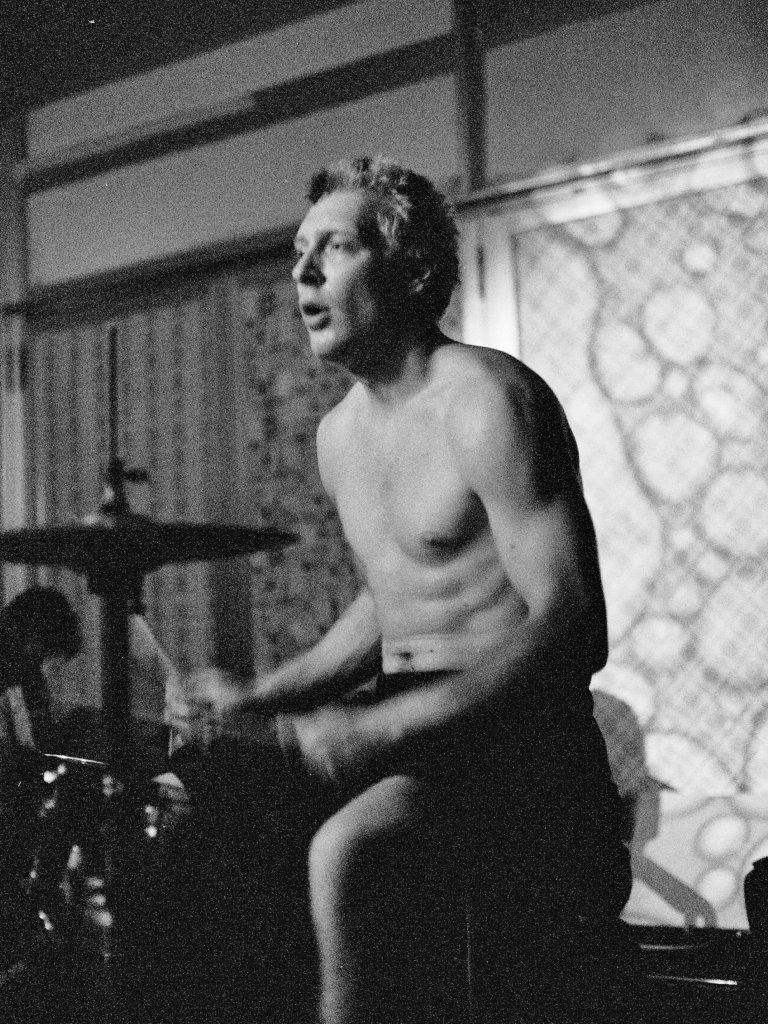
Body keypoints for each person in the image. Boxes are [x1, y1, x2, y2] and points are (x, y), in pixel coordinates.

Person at [178, 156, 637, 1024]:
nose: (303, 273)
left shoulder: (489, 400)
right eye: (298, 251)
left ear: (415, 271)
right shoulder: (339, 436)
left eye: (335, 247)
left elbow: (575, 625)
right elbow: (391, 600)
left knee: (350, 851)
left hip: (523, 744)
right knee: (210, 833)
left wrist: (380, 726)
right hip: (407, 725)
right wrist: (261, 694)